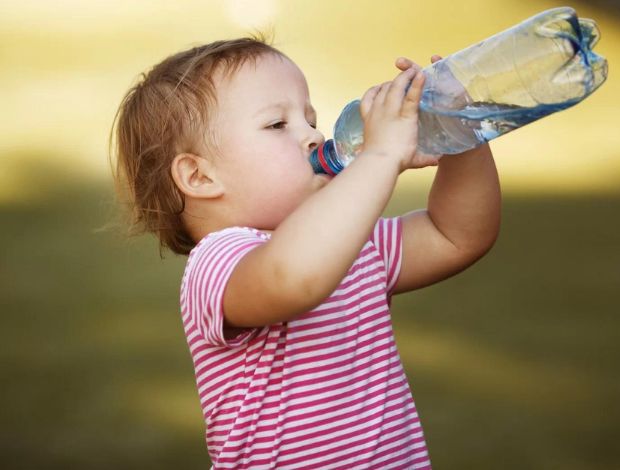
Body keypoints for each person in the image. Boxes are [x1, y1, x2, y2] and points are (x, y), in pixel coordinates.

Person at [111, 35, 501, 469]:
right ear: (200, 177)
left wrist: (461, 133)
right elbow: (294, 278)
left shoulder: (354, 244)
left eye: (310, 118)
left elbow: (458, 236)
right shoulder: (218, 262)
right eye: (278, 125)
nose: (314, 135)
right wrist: (382, 154)